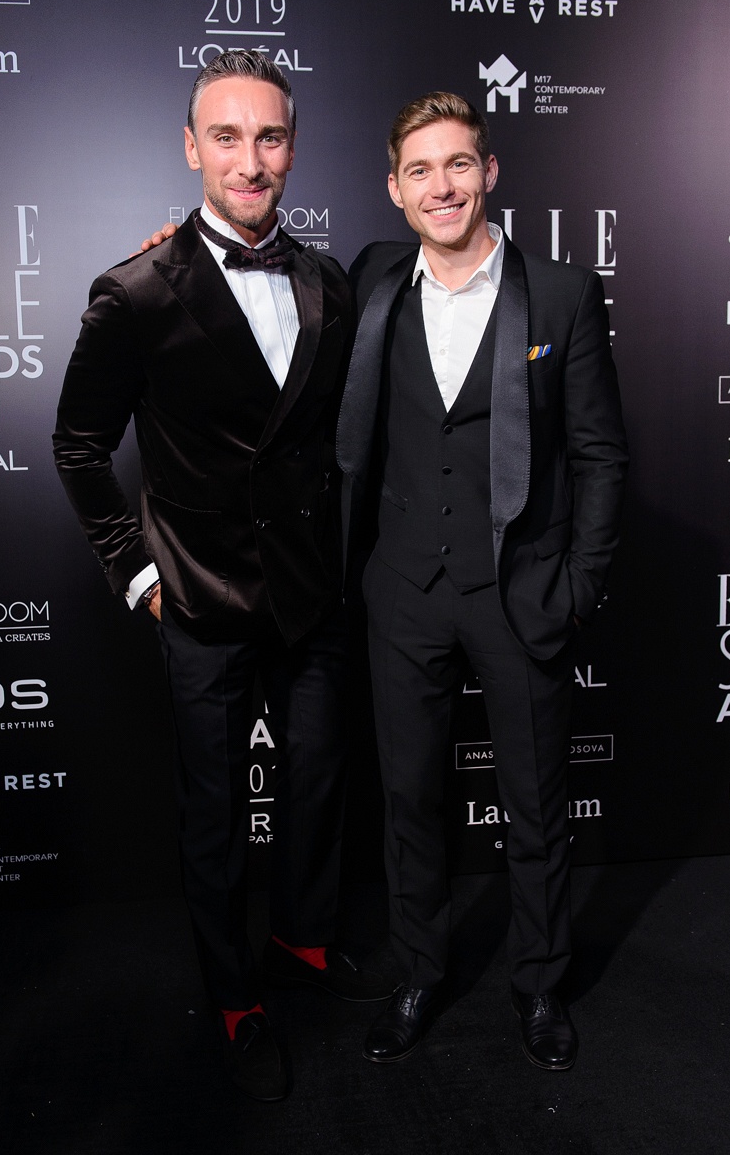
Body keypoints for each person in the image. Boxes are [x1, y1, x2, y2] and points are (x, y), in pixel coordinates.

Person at [53, 50, 390, 1103]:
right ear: (192, 148)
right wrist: (137, 574)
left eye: (270, 137)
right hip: (197, 597)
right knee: (212, 814)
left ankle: (302, 941)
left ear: (293, 148)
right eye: (228, 137)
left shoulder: (328, 280)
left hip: (311, 594)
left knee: (319, 783)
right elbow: (78, 446)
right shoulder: (135, 291)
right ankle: (234, 995)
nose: (251, 160)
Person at [336, 91, 628, 1069]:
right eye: (419, 170)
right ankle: (419, 972)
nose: (441, 186)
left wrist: (576, 585)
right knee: (409, 800)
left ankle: (539, 985)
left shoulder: (562, 294)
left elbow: (600, 454)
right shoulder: (373, 279)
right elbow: (267, 288)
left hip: (520, 591)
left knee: (537, 804)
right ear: (394, 189)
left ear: (489, 171)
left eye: (458, 163)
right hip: (403, 589)